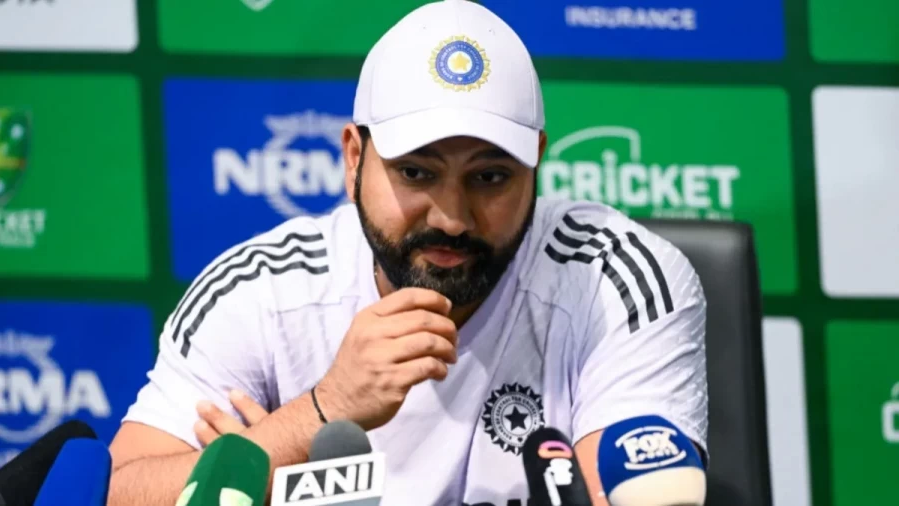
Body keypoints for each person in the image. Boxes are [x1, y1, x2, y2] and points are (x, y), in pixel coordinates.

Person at [107, 1, 709, 504]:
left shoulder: (614, 282)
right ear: (354, 159)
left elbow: (636, 496)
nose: (451, 217)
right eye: (417, 173)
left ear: (536, 164)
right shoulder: (262, 290)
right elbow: (119, 490)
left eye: (490, 177)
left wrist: (257, 468)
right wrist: (320, 411)